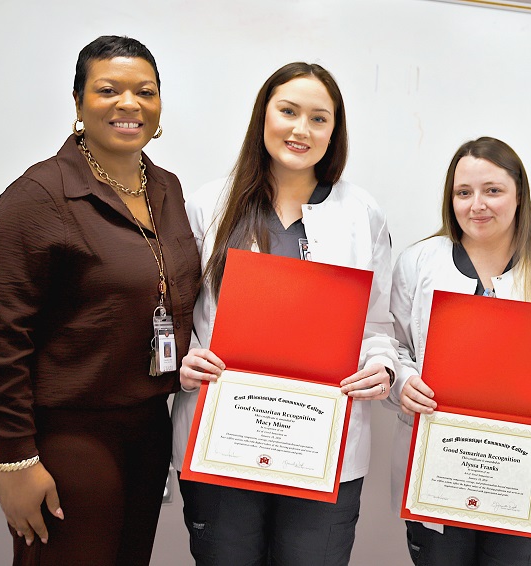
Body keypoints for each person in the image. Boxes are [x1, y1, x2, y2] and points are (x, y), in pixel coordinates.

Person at [0, 36, 200, 565]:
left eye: (145, 91)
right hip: (67, 436)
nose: (129, 104)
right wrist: (12, 461)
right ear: (78, 103)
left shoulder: (167, 188)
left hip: (148, 428)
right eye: (107, 90)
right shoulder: (36, 197)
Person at [170, 62, 399, 566]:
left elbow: (378, 325)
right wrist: (186, 360)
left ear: (334, 131)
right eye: (288, 112)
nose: (301, 130)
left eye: (319, 118)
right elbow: (178, 316)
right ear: (263, 116)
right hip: (222, 438)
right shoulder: (209, 204)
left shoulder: (362, 213)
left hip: (322, 442)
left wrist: (381, 366)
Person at [388, 137, 531, 565]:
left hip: (527, 473)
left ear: (519, 195)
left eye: (493, 191)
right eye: (464, 193)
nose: (477, 204)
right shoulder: (419, 262)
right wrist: (403, 383)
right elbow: (396, 347)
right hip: (440, 469)